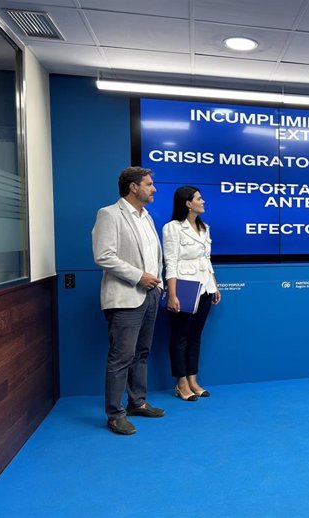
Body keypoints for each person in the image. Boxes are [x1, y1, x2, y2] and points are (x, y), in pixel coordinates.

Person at [92, 167, 165, 435]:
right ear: (133, 187)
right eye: (149, 184)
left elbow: (154, 256)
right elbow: (104, 255)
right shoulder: (109, 214)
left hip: (150, 296)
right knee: (121, 357)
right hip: (125, 298)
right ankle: (115, 414)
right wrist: (139, 277)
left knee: (141, 354)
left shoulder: (146, 217)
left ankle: (138, 403)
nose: (154, 188)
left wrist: (156, 284)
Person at [163, 186, 220, 401]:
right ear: (187, 203)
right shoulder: (173, 228)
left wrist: (214, 285)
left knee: (196, 336)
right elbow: (171, 261)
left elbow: (206, 260)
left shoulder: (205, 228)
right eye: (199, 198)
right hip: (185, 288)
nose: (203, 201)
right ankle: (181, 382)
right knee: (180, 336)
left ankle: (193, 378)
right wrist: (172, 294)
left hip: (205, 287)